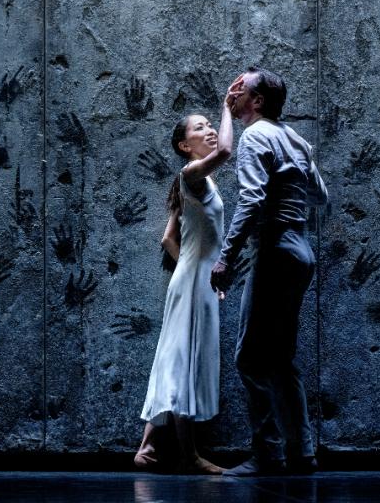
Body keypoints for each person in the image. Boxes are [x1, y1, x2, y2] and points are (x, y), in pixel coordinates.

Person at [211, 66, 328, 476]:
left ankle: (268, 454)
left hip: (276, 250)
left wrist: (226, 256)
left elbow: (252, 200)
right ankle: (302, 451)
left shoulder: (256, 135)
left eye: (240, 87)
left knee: (249, 358)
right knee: (280, 359)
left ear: (257, 100)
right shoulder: (293, 138)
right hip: (300, 250)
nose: (234, 91)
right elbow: (319, 196)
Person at [135, 76, 245, 474]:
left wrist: (196, 269)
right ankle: (188, 455)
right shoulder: (191, 175)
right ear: (185, 145)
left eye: (210, 124)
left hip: (195, 280)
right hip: (194, 279)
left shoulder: (198, 180)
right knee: (186, 360)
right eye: (201, 127)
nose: (211, 130)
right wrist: (227, 108)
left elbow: (168, 238)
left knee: (176, 357)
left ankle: (149, 448)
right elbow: (229, 149)